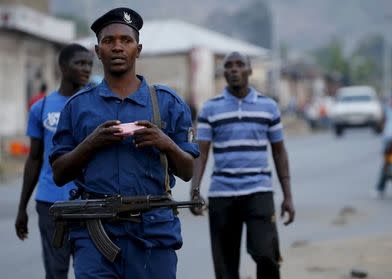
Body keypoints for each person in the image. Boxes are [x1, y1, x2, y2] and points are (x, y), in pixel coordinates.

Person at [49, 7, 199, 279]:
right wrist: (91, 143)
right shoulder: (78, 107)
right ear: (97, 51)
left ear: (138, 49)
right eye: (109, 41)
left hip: (153, 234)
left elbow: (188, 171)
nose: (117, 47)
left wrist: (165, 142)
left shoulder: (168, 103)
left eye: (126, 40)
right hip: (95, 234)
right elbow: (59, 174)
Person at [190, 51, 295, 279]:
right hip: (223, 195)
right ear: (223, 72)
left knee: (266, 254)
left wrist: (288, 196)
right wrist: (195, 190)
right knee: (225, 265)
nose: (234, 69)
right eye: (229, 65)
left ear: (249, 70)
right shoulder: (210, 108)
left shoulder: (268, 107)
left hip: (259, 192)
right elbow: (202, 152)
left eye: (240, 65)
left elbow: (279, 152)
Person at [15, 44, 93, 279]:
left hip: (90, 202)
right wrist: (22, 209)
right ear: (62, 66)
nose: (86, 68)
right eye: (79, 63)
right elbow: (34, 158)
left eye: (89, 63)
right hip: (51, 204)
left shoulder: (96, 104)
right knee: (56, 272)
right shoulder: (42, 108)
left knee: (90, 271)